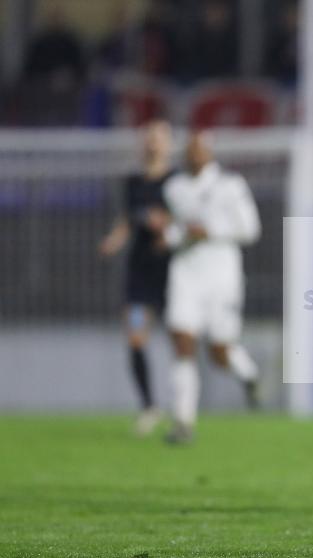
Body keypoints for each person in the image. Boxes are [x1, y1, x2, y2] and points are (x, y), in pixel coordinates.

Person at [148, 130, 262, 443]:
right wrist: (167, 236)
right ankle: (183, 422)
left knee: (219, 352)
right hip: (185, 273)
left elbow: (251, 229)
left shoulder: (230, 185)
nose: (194, 155)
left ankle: (249, 376)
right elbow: (173, 230)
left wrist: (209, 230)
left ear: (209, 153)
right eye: (190, 150)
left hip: (222, 277)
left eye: (200, 150)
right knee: (182, 342)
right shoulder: (174, 188)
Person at [98, 119, 175, 436]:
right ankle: (149, 406)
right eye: (149, 137)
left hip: (172, 269)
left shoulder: (177, 182)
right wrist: (115, 239)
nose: (153, 143)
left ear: (168, 144)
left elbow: (185, 216)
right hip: (140, 271)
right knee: (135, 336)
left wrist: (167, 226)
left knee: (181, 340)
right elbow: (128, 219)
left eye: (158, 138)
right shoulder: (132, 182)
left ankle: (184, 406)